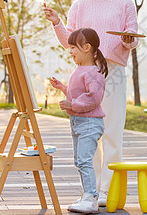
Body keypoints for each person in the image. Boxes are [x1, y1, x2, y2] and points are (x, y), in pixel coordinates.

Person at [44, 0, 139, 206]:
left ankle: (108, 191)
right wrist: (57, 23)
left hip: (113, 73)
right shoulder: (79, 5)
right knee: (88, 134)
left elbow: (132, 37)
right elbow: (69, 42)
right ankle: (91, 190)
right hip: (84, 74)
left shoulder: (124, 3)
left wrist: (129, 39)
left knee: (111, 132)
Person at [49, 28, 108, 213]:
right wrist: (63, 88)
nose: (70, 51)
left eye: (73, 47)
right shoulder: (81, 70)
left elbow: (93, 99)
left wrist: (71, 104)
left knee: (84, 160)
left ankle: (90, 198)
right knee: (79, 161)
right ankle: (87, 195)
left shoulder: (93, 73)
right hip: (79, 122)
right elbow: (79, 94)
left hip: (89, 123)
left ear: (87, 47)